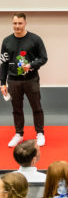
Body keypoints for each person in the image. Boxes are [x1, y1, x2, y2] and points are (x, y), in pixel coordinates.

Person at [1, 13, 48, 148]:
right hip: (13, 80)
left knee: (36, 107)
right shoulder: (6, 41)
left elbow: (44, 58)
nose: (17, 26)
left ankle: (40, 133)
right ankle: (18, 134)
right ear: (12, 24)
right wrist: (2, 83)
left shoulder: (35, 39)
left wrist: (31, 65)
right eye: (15, 23)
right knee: (16, 109)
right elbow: (3, 63)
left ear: (25, 23)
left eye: (20, 23)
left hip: (31, 79)